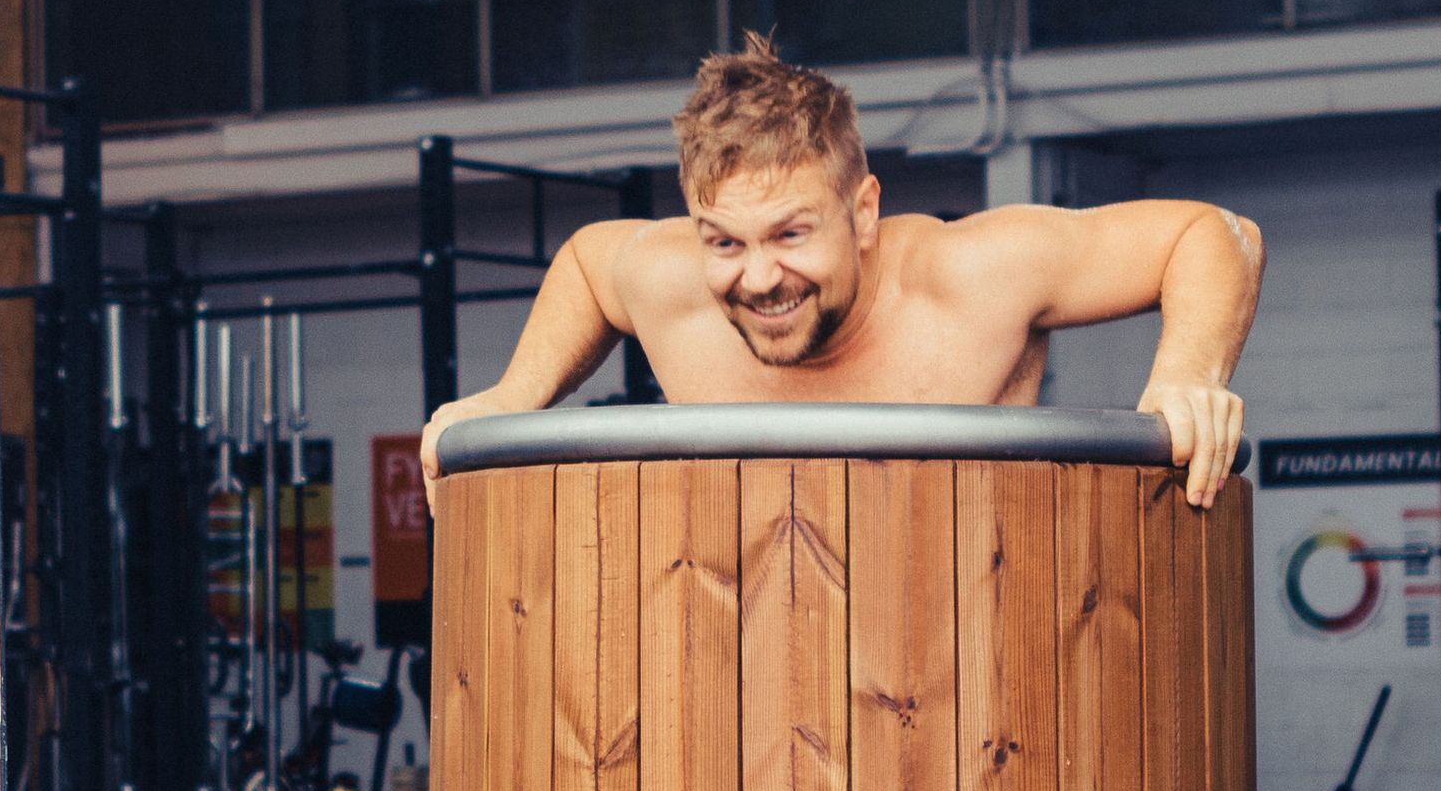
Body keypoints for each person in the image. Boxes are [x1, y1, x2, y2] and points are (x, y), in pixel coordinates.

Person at [420, 35, 1263, 512]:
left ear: (862, 212)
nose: (757, 277)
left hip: (970, 692)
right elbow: (587, 263)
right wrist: (510, 396)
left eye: (790, 233)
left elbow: (1214, 233)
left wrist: (1188, 374)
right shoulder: (669, 281)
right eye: (723, 242)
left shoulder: (971, 274)